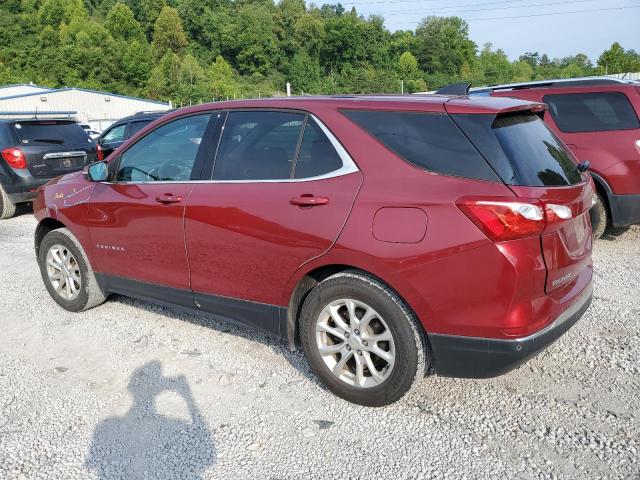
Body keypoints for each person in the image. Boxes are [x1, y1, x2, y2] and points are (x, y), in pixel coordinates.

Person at [86, 361, 215, 479]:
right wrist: (187, 396)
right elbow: (208, 459)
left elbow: (92, 464)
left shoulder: (106, 425)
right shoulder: (179, 425)